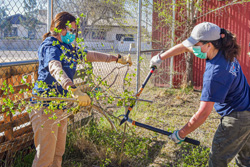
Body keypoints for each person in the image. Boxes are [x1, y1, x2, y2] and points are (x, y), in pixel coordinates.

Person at [29, 11, 132, 167]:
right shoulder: (51, 46)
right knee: (45, 158)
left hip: (60, 107)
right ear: (61, 29)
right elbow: (54, 67)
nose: (74, 34)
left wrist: (116, 58)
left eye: (75, 31)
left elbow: (91, 55)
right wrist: (73, 89)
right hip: (45, 106)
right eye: (72, 30)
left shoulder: (68, 48)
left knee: (58, 154)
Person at [150, 22, 250, 166]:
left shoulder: (215, 74)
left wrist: (181, 134)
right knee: (246, 159)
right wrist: (160, 57)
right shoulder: (223, 49)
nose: (194, 48)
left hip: (237, 118)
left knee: (217, 161)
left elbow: (202, 114)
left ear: (209, 45)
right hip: (247, 108)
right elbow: (186, 47)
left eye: (196, 44)